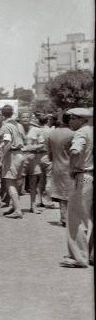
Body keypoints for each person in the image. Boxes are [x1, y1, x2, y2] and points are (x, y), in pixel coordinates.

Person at [59, 108, 93, 268]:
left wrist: (72, 166)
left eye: (73, 118)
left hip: (83, 177)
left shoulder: (81, 133)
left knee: (76, 218)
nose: (70, 121)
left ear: (82, 120)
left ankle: (79, 257)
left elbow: (75, 150)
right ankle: (90, 254)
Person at [45, 112, 75, 227]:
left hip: (57, 166)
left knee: (62, 194)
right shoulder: (73, 134)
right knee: (72, 193)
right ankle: (70, 218)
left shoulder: (52, 133)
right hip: (71, 166)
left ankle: (63, 218)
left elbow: (49, 154)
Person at [0, 105, 26, 219]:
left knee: (10, 183)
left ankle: (18, 210)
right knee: (17, 183)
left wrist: (1, 159)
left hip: (12, 155)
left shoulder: (6, 126)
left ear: (2, 115)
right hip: (20, 153)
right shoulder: (18, 125)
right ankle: (14, 206)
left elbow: (7, 143)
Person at [19, 109, 45, 214]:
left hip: (33, 158)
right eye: (23, 117)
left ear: (30, 118)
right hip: (19, 159)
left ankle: (33, 205)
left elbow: (42, 144)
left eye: (27, 117)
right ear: (19, 119)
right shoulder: (16, 129)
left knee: (33, 183)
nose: (25, 119)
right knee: (18, 182)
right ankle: (15, 206)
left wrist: (32, 147)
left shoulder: (36, 130)